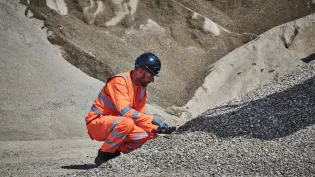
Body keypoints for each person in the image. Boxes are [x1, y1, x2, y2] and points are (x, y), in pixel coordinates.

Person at [85, 52, 176, 166]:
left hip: (119, 125)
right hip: (96, 124)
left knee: (151, 137)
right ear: (140, 71)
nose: (152, 80)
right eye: (150, 75)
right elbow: (125, 112)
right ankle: (104, 154)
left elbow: (139, 118)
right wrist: (153, 119)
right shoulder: (119, 81)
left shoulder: (142, 90)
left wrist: (156, 128)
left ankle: (117, 147)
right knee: (127, 123)